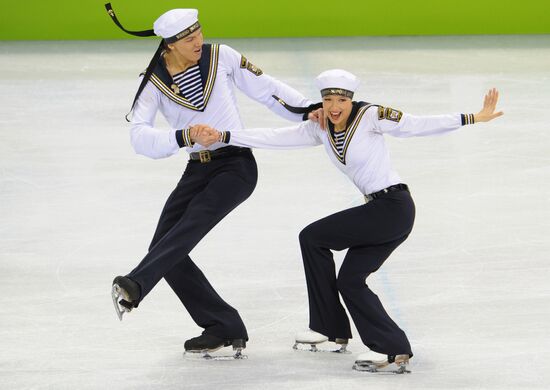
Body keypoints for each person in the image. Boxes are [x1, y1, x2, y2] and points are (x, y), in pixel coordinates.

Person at [195, 69, 503, 371]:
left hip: (392, 206)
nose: (334, 107)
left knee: (312, 237)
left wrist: (473, 117)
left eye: (341, 100)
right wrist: (225, 136)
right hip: (380, 210)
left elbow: (415, 124)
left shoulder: (371, 116)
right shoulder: (321, 126)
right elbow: (277, 137)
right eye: (328, 101)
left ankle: (332, 327)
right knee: (350, 282)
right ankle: (387, 347)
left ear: (351, 100)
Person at [105, 5, 323, 357]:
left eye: (199, 32)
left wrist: (306, 108)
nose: (199, 41)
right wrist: (184, 135)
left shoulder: (221, 56)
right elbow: (139, 137)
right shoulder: (154, 81)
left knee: (185, 230)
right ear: (169, 45)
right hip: (196, 168)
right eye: (190, 38)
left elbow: (268, 90)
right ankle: (223, 325)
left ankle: (136, 284)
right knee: (164, 245)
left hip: (236, 166)